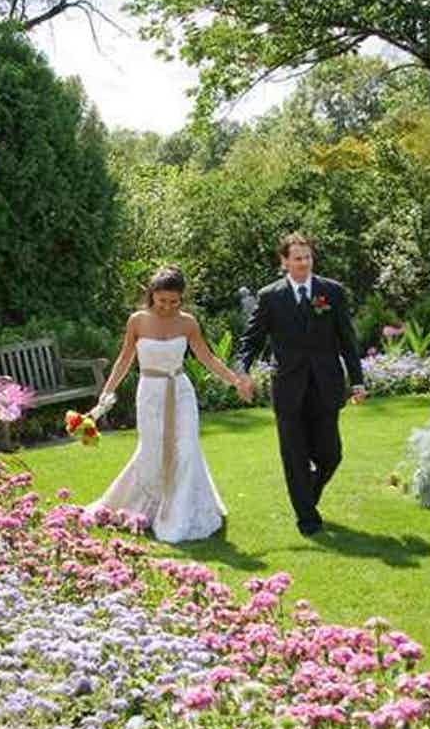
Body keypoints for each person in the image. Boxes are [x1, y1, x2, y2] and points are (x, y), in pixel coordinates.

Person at [87, 266, 252, 543]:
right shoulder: (137, 321)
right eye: (163, 301)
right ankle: (145, 506)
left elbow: (207, 358)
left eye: (174, 301)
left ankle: (180, 515)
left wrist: (236, 381)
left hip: (180, 392)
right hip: (150, 393)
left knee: (186, 449)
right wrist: (105, 396)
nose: (168, 307)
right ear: (152, 295)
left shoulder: (188, 323)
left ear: (181, 299)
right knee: (151, 451)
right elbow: (124, 360)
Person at [236, 232, 367, 535]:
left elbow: (347, 340)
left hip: (326, 385)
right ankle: (307, 517)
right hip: (288, 388)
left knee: (330, 455)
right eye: (297, 258)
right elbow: (252, 339)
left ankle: (307, 492)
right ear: (284, 262)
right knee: (294, 456)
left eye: (307, 257)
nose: (303, 263)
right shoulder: (270, 296)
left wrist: (357, 382)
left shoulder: (331, 292)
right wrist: (242, 371)